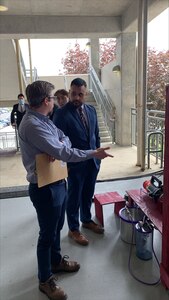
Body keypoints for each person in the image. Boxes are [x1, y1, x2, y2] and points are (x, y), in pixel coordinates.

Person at [18, 80, 113, 300]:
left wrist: (59, 148)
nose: (55, 101)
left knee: (57, 228)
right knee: (46, 235)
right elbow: (66, 152)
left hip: (56, 181)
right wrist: (91, 153)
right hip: (45, 187)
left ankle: (56, 262)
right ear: (45, 101)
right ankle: (45, 280)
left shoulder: (43, 120)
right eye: (52, 97)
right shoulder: (33, 124)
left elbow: (64, 140)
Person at [53, 78, 107, 247]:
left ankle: (86, 220)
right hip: (74, 165)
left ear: (86, 94)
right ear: (69, 92)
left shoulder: (91, 110)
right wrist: (65, 166)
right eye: (73, 94)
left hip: (92, 163)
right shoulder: (61, 114)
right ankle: (74, 229)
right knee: (73, 197)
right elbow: (58, 142)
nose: (76, 97)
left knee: (88, 193)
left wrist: (98, 153)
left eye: (80, 94)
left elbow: (95, 135)